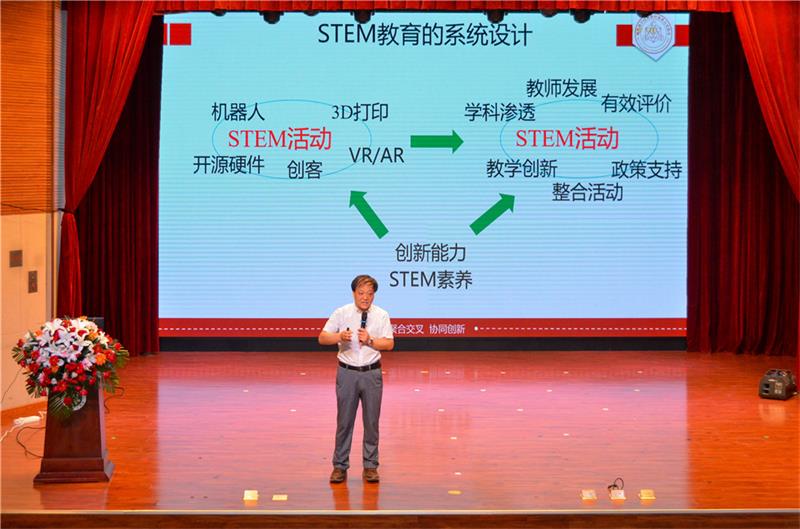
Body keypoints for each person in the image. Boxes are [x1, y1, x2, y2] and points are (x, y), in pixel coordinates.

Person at [319, 275, 394, 483]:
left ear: (374, 295)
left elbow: (389, 343)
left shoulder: (381, 315)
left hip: (371, 373)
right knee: (344, 422)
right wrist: (339, 336)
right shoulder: (341, 312)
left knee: (371, 422)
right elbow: (322, 337)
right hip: (347, 373)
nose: (365, 297)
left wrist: (370, 340)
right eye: (361, 293)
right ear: (354, 293)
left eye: (369, 294)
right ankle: (339, 466)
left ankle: (370, 466)